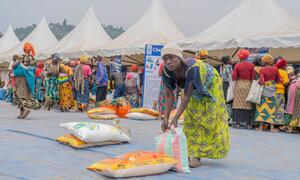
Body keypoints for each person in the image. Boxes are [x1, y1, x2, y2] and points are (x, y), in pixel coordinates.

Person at [160, 43, 230, 167]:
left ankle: (197, 155)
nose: (168, 62)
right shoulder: (166, 70)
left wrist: (175, 118)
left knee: (207, 118)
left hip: (210, 84)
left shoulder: (192, 68)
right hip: (192, 89)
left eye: (171, 58)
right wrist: (165, 117)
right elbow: (169, 95)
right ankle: (189, 151)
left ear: (180, 57)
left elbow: (187, 95)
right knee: (191, 117)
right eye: (165, 58)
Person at [255, 54, 282, 132]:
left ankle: (260, 127)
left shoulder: (262, 70)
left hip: (264, 90)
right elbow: (279, 80)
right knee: (272, 107)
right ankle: (272, 127)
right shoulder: (275, 69)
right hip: (273, 90)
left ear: (264, 61)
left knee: (261, 107)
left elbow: (261, 81)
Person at [12, 53, 41, 119]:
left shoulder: (19, 63)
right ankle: (21, 112)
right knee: (21, 96)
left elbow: (13, 66)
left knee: (21, 96)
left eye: (14, 58)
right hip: (21, 80)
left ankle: (26, 109)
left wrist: (18, 59)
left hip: (21, 80)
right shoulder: (25, 65)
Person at [232, 49, 255, 129]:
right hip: (248, 85)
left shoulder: (237, 65)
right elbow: (253, 77)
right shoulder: (251, 65)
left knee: (237, 103)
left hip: (239, 85)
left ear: (240, 57)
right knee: (247, 104)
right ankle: (248, 123)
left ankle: (237, 123)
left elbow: (234, 77)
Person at [275, 58, 289, 124]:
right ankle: (278, 123)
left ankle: (270, 123)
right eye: (285, 65)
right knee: (280, 107)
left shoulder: (275, 70)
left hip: (273, 90)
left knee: (273, 106)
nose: (286, 66)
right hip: (280, 91)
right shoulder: (284, 72)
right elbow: (286, 83)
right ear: (283, 66)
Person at [220, 56, 233, 121]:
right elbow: (230, 75)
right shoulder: (229, 66)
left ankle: (226, 115)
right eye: (230, 59)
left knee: (225, 99)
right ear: (227, 61)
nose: (232, 60)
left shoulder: (223, 66)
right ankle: (229, 116)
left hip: (223, 84)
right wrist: (231, 83)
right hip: (227, 84)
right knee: (228, 100)